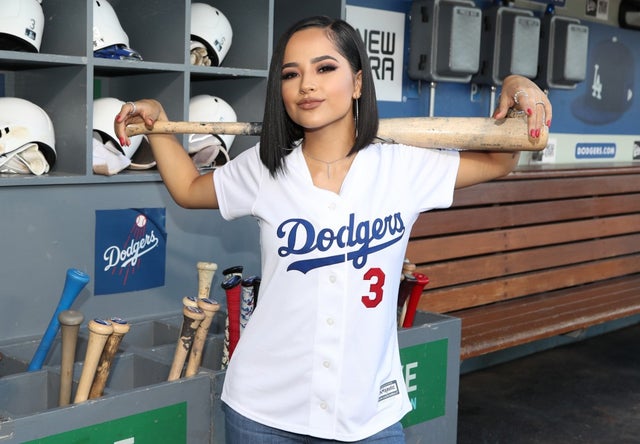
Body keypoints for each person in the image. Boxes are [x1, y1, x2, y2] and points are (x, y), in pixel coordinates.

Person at [114, 15, 551, 444]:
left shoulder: (405, 166)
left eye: (325, 68)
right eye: (291, 73)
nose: (307, 84)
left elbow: (501, 159)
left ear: (358, 83)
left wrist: (517, 85)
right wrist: (160, 125)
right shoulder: (265, 168)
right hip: (263, 409)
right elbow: (189, 188)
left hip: (367, 414)